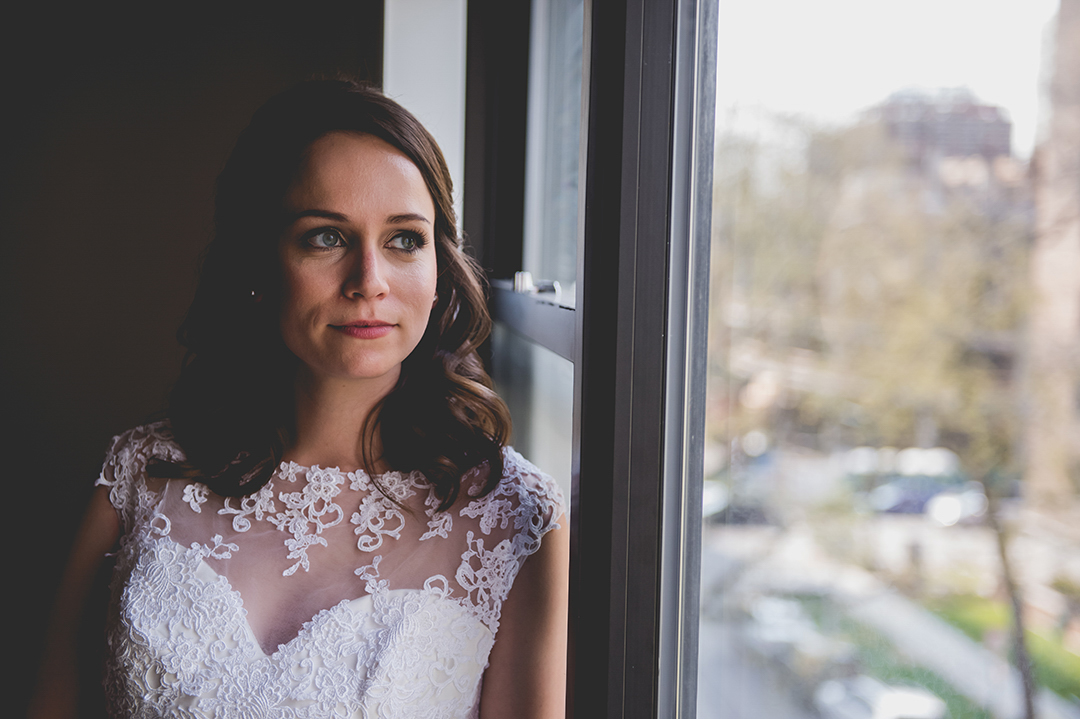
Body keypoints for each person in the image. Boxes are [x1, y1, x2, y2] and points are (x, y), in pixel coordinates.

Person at [29, 80, 569, 719]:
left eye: (404, 239)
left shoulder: (513, 516)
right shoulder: (138, 475)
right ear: (258, 263)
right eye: (326, 237)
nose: (369, 282)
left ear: (439, 269)